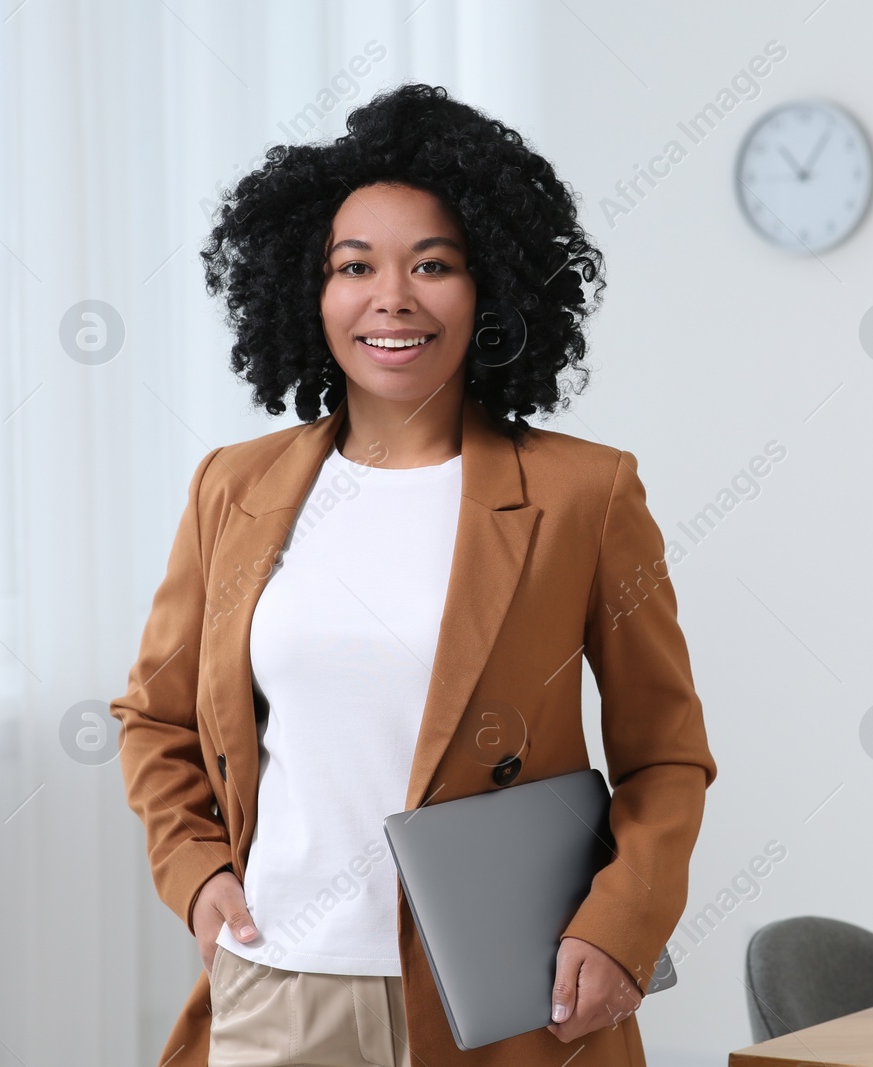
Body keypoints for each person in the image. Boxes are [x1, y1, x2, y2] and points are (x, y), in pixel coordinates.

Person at [108, 83, 717, 1067]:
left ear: (492, 288)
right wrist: (194, 870)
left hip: (505, 993)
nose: (391, 297)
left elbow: (667, 754)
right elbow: (157, 716)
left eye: (432, 264)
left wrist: (619, 924)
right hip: (278, 981)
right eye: (355, 266)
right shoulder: (235, 486)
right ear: (306, 290)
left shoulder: (585, 495)